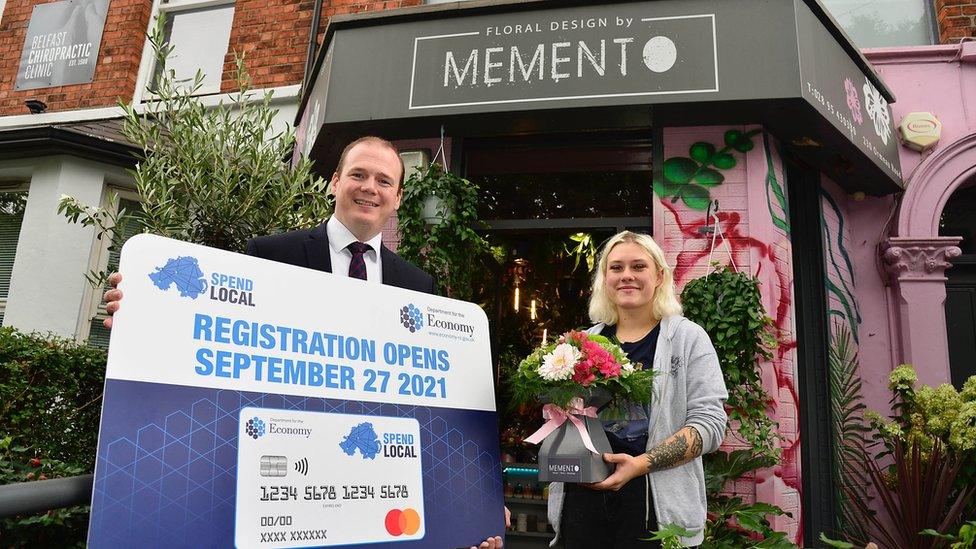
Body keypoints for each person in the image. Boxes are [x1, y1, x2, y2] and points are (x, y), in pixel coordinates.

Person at [103, 136, 507, 549]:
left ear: (398, 197)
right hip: (286, 477)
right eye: (358, 174)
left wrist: (476, 500)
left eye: (384, 181)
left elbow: (431, 404)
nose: (370, 187)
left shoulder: (418, 285)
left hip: (375, 484)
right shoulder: (270, 255)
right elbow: (215, 334)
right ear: (335, 182)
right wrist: (146, 312)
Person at [548, 231, 729, 548]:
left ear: (659, 276)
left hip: (653, 507)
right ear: (605, 278)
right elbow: (562, 422)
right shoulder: (580, 343)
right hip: (582, 503)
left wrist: (640, 464)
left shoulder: (687, 339)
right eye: (616, 268)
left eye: (638, 266)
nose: (626, 276)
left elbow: (710, 425)